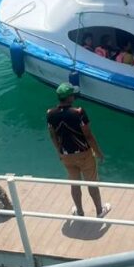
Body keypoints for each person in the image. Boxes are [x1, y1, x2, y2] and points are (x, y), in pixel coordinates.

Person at [46, 83, 111, 218]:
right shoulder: (78, 113)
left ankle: (80, 211)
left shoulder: (50, 114)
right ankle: (99, 210)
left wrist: (59, 151)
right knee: (91, 182)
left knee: (74, 184)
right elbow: (88, 135)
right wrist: (98, 152)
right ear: (69, 97)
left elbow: (53, 135)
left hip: (66, 156)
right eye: (72, 94)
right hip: (84, 154)